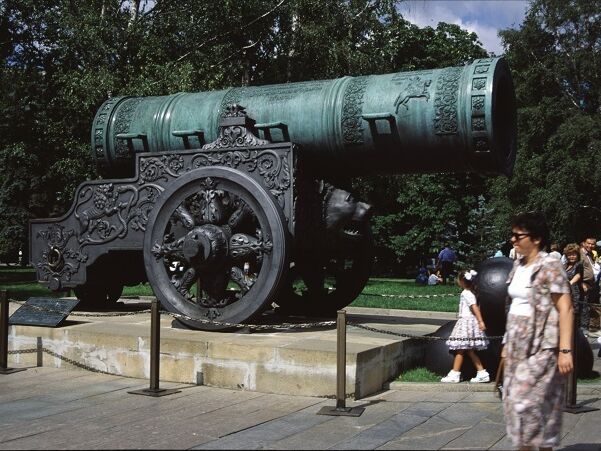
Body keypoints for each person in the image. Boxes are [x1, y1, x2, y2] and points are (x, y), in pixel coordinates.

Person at [503, 211, 573, 450]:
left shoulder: (550, 265)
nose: (513, 240)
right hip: (515, 342)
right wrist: (505, 344)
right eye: (512, 235)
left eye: (517, 235)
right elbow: (514, 305)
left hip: (542, 344)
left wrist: (565, 349)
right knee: (517, 400)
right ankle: (534, 445)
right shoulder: (518, 264)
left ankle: (533, 444)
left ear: (536, 238)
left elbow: (565, 308)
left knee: (525, 400)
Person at [440, 269, 490, 383]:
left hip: (466, 323)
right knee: (469, 350)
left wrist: (480, 321)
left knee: (460, 349)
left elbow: (474, 307)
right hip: (470, 322)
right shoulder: (471, 293)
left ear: (462, 281)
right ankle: (482, 372)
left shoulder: (466, 293)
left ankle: (455, 374)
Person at [580, 236, 600, 336]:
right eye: (589, 243)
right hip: (584, 284)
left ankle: (590, 329)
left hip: (592, 285)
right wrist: (581, 283)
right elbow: (576, 269)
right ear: (584, 243)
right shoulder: (580, 254)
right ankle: (583, 330)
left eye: (593, 244)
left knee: (590, 307)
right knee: (584, 307)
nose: (591, 246)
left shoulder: (591, 254)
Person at [563, 243, 584, 328]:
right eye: (569, 254)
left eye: (574, 254)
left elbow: (578, 276)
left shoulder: (579, 264)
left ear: (577, 255)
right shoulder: (565, 265)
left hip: (575, 293)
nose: (571, 256)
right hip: (566, 292)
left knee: (574, 314)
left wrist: (570, 283)